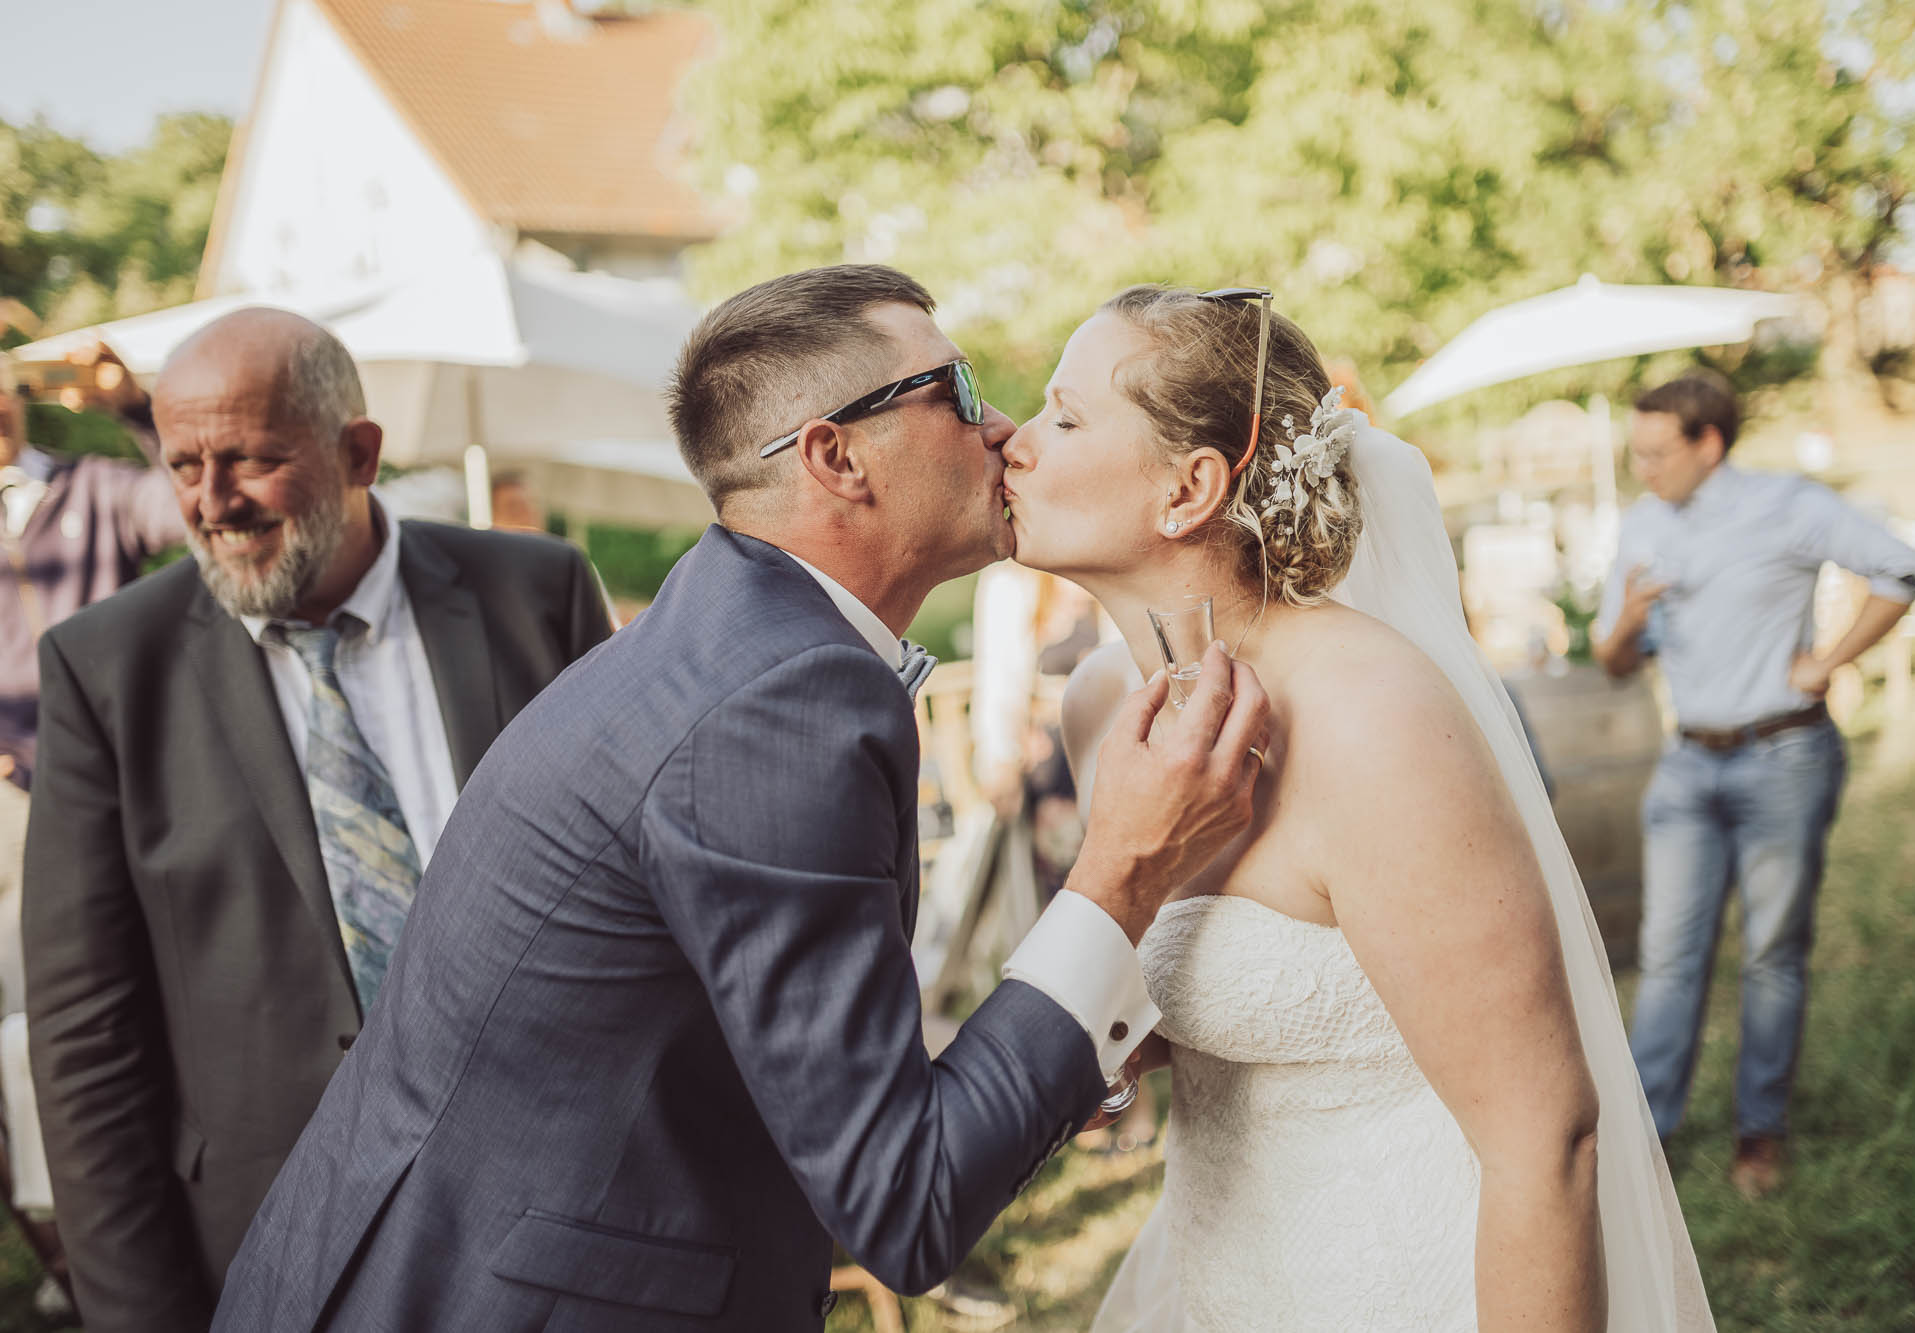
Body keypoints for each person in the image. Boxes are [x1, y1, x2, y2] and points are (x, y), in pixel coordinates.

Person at [214, 265, 1268, 1332]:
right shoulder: (782, 701)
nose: (1000, 429)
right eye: (954, 392)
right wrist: (1120, 872)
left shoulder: (729, 635)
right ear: (833, 455)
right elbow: (904, 1202)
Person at [1003, 285, 1713, 1330]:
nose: (1008, 443)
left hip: (1411, 1282)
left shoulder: (1371, 715)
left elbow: (1543, 1136)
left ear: (1187, 487)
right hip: (1218, 1281)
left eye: (1061, 418)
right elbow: (1168, 1010)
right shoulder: (1102, 704)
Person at [23, 308, 614, 1333]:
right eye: (182, 465)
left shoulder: (537, 595)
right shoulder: (108, 670)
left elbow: (630, 905)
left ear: (360, 452)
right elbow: (85, 1042)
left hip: (564, 1220)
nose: (211, 504)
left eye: (249, 460)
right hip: (274, 1252)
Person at [1592, 372, 1915, 1198]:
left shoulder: (1788, 504)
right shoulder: (1642, 521)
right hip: (1687, 765)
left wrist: (1827, 660)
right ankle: (1649, 1139)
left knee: (1773, 954)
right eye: (1633, 452)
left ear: (1709, 443)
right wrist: (1632, 617)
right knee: (1670, 955)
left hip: (1783, 757)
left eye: (1657, 451)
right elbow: (1610, 662)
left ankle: (1760, 1134)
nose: (1643, 468)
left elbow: (1906, 570)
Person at [0, 342, 185, 1314]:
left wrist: (138, 407)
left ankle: (84, 1248)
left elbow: (197, 510)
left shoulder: (97, 491)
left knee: (59, 1015)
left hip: (93, 797)